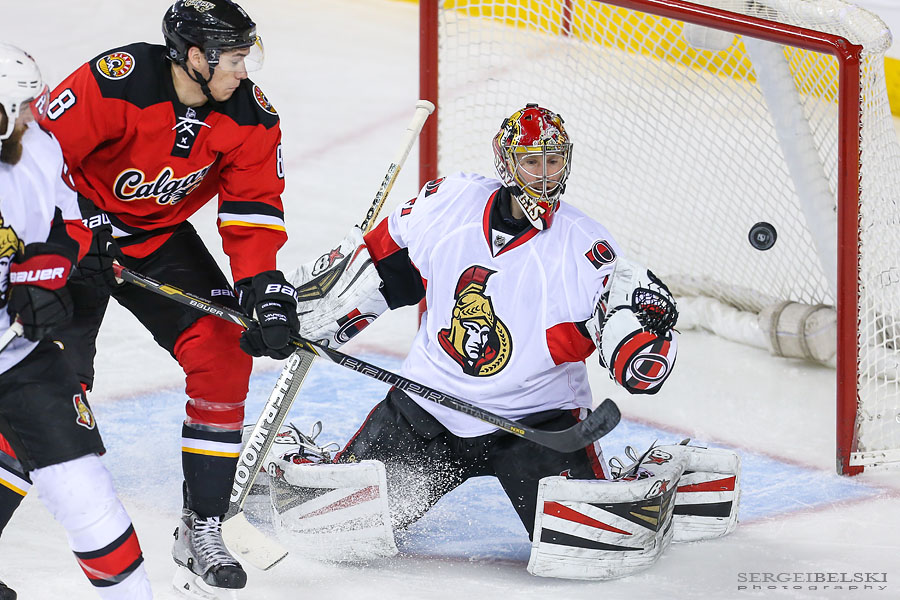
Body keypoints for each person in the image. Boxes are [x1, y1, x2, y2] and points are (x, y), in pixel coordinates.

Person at [270, 104, 712, 578]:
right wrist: (296, 310)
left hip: (535, 424)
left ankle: (662, 469)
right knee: (334, 530)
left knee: (593, 550)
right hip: (427, 408)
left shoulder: (584, 247)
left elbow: (622, 332)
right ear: (506, 162)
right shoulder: (451, 201)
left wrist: (642, 340)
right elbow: (382, 266)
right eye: (531, 161)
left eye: (554, 161)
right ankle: (308, 459)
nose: (544, 175)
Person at [0, 1, 300, 597]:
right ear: (195, 56)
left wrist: (262, 285)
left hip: (157, 240)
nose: (245, 70)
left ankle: (204, 526)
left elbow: (252, 206)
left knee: (222, 348)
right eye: (235, 58)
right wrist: (81, 229)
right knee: (50, 382)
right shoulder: (116, 81)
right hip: (71, 241)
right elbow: (40, 161)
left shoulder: (251, 115)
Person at [0, 43, 153, 599]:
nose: (30, 120)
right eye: (18, 109)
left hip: (19, 357)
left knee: (84, 486)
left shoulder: (36, 146)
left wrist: (48, 268)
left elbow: (71, 220)